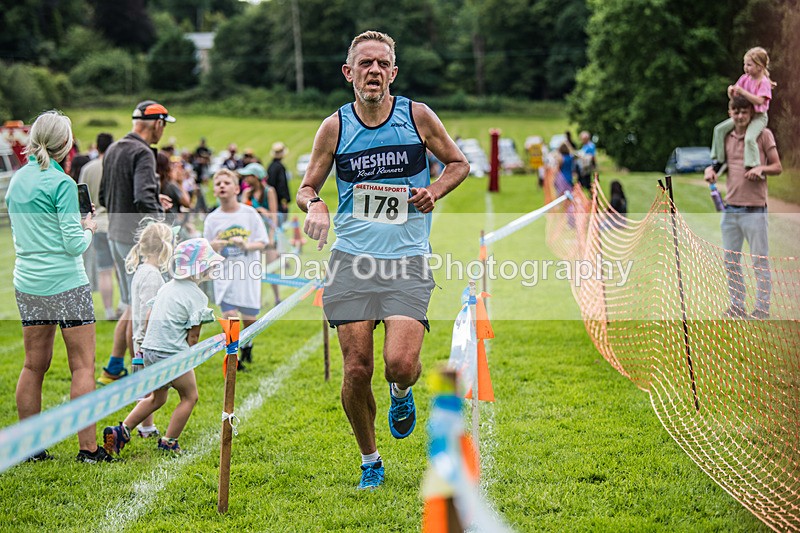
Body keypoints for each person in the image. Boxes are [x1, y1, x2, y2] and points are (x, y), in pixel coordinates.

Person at [296, 30, 470, 489]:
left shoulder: (417, 116)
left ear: (392, 72)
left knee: (400, 364)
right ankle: (370, 460)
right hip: (352, 262)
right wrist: (314, 204)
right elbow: (307, 187)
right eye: (364, 64)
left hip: (407, 261)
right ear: (348, 72)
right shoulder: (334, 127)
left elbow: (458, 163)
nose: (373, 71)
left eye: (381, 64)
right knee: (356, 369)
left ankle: (400, 392)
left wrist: (433, 191)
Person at [6, 110, 113, 463]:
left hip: (28, 281)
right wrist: (89, 227)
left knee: (33, 365)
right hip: (66, 282)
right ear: (66, 144)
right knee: (82, 365)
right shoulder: (63, 184)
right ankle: (88, 449)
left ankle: (29, 447)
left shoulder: (18, 180)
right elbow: (73, 245)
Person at [103, 238, 220, 456]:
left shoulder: (167, 287)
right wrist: (188, 358)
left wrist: (149, 343)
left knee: (158, 397)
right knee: (190, 397)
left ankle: (121, 431)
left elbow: (149, 315)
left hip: (151, 350)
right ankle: (169, 442)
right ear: (200, 269)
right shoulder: (198, 297)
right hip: (172, 355)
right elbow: (193, 337)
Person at [97, 100, 175, 385]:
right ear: (157, 123)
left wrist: (156, 200)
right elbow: (142, 197)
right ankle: (138, 377)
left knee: (131, 304)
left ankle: (113, 367)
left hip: (115, 234)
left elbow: (105, 197)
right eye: (164, 125)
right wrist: (161, 226)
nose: (163, 131)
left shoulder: (115, 148)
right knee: (141, 308)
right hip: (138, 242)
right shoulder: (142, 152)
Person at [704, 95, 782, 320]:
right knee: (731, 261)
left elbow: (777, 167)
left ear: (751, 113)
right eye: (735, 112)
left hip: (755, 209)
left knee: (759, 260)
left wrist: (761, 169)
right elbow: (719, 164)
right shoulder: (726, 136)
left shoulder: (763, 134)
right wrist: (711, 171)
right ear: (730, 113)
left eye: (744, 112)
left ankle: (761, 309)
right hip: (730, 210)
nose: (739, 116)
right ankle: (737, 306)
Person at [204, 169, 269, 369]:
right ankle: (233, 357)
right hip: (224, 274)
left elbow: (263, 242)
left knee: (249, 318)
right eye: (218, 184)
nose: (221, 186)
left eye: (226, 183)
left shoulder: (249, 213)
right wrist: (215, 245)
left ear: (235, 188)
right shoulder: (212, 219)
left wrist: (245, 246)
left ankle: (247, 345)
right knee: (230, 316)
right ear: (214, 191)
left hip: (247, 273)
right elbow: (205, 249)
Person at [125, 221, 175, 439]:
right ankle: (137, 426)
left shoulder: (142, 270)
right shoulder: (152, 275)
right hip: (147, 340)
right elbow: (150, 311)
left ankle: (147, 428)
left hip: (141, 338)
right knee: (152, 390)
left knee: (147, 386)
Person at [711, 47, 775, 171]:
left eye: (749, 65)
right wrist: (731, 92)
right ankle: (720, 160)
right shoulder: (745, 78)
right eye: (744, 64)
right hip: (745, 116)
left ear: (759, 67)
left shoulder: (764, 82)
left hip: (758, 117)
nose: (745, 67)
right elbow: (735, 99)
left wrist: (743, 92)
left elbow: (760, 100)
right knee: (719, 130)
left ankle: (753, 165)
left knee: (750, 138)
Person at [79, 132, 116, 320]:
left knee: (104, 270)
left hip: (98, 223)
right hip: (116, 223)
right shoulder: (115, 167)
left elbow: (83, 197)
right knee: (122, 268)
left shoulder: (88, 168)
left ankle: (108, 310)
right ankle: (126, 304)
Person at [240, 163, 282, 306]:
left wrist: (271, 237)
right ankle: (256, 300)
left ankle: (277, 297)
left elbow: (274, 216)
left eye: (248, 175)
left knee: (271, 267)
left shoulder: (269, 191)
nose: (245, 178)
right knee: (255, 269)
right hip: (253, 235)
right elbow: (242, 214)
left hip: (268, 232)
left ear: (256, 177)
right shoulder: (247, 193)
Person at [267, 142, 291, 226]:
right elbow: (282, 185)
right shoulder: (280, 167)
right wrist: (284, 199)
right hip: (279, 201)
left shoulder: (270, 166)